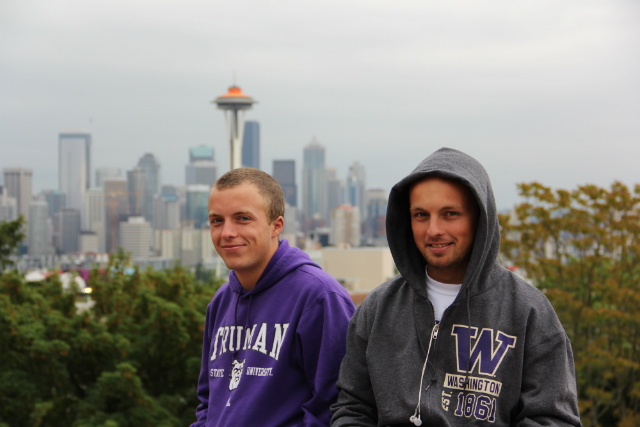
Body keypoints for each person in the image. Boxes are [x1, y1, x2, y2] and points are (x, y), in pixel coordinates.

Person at [331, 148, 581, 426]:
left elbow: (553, 419)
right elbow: (352, 408)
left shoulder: (528, 313)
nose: (433, 230)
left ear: (480, 219)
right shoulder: (378, 309)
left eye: (450, 214)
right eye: (421, 215)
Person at [191, 168, 355, 427]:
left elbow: (336, 408)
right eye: (216, 221)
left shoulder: (319, 298)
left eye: (243, 218)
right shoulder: (220, 302)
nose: (226, 233)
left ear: (276, 226)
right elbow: (208, 404)